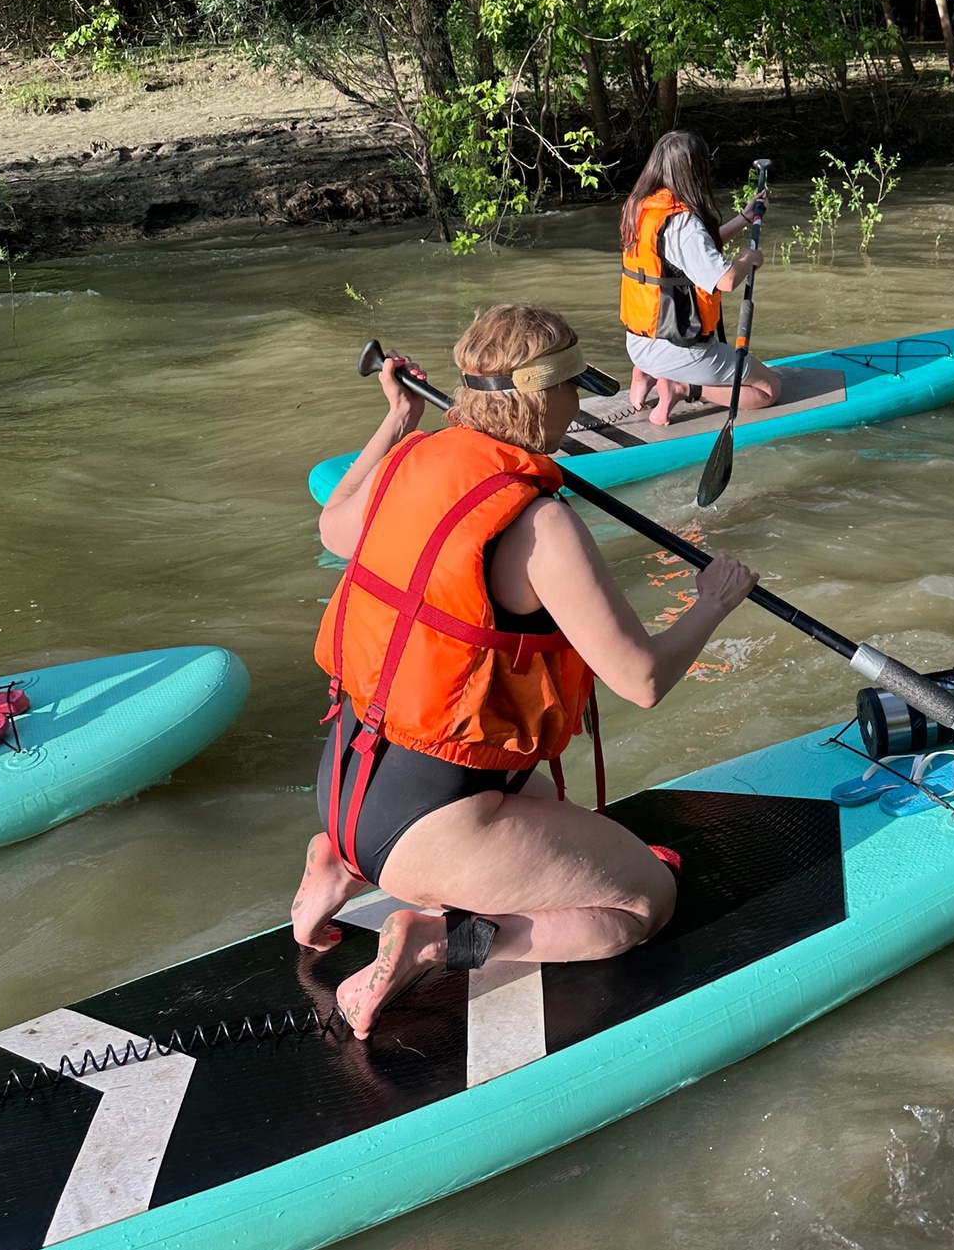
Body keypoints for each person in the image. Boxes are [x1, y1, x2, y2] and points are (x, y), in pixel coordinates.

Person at [291, 302, 758, 1038]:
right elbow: (640, 679)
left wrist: (397, 420)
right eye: (577, 388)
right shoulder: (539, 525)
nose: (581, 404)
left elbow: (332, 525)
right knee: (640, 903)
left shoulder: (410, 461)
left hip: (347, 775)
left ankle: (338, 864)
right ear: (547, 397)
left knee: (530, 800)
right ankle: (435, 939)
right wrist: (713, 603)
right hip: (427, 820)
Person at [620, 129, 784, 426]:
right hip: (675, 350)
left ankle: (642, 374)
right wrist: (748, 259)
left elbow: (690, 258)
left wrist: (744, 219)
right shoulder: (683, 224)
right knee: (768, 389)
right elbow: (725, 280)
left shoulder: (640, 207)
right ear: (693, 172)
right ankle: (681, 386)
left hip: (638, 344)